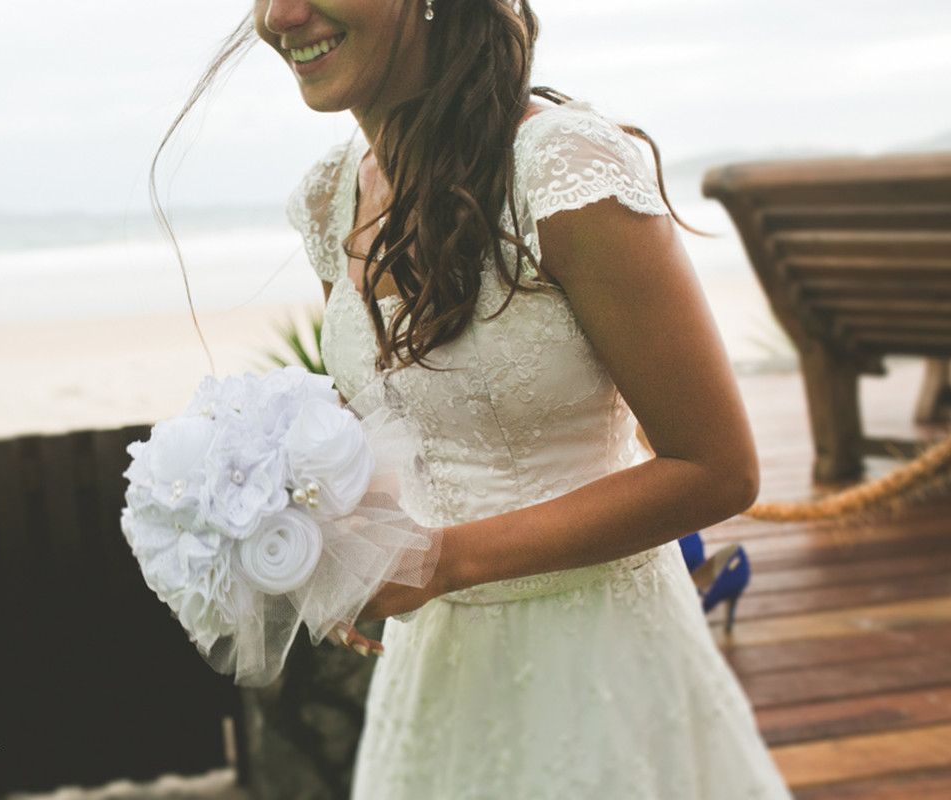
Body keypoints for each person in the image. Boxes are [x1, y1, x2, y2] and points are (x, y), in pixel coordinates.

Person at [161, 0, 794, 797]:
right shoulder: (330, 198)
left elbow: (717, 468)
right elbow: (394, 430)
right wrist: (295, 520)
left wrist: (442, 561)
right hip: (434, 673)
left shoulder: (561, 169)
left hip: (597, 655)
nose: (281, 15)